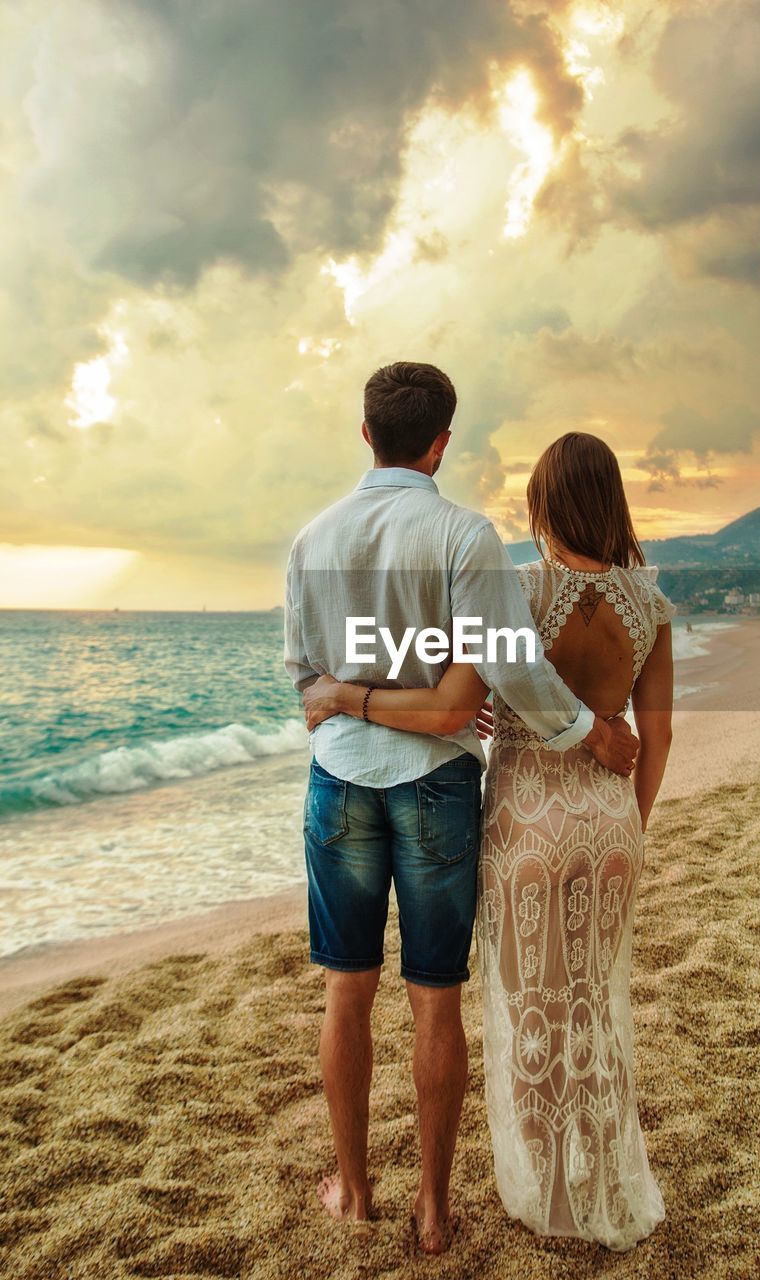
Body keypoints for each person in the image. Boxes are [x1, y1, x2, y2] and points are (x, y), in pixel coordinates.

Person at [284, 364, 638, 1254]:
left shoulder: (311, 539)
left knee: (345, 988)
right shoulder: (461, 535)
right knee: (434, 997)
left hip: (340, 779)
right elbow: (510, 666)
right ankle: (435, 1211)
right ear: (442, 442)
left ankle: (356, 1191)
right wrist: (588, 735)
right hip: (437, 780)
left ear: (365, 434)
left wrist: (353, 697)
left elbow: (306, 680)